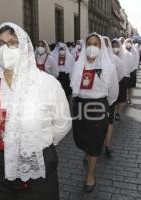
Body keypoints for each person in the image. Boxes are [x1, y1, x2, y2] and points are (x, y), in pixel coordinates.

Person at [0, 22, 72, 200]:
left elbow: (63, 124)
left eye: (12, 43)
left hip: (36, 162)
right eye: (0, 43)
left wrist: (38, 141)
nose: (5, 48)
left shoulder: (46, 83)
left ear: (23, 47)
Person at [71, 33, 119, 193]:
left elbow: (113, 92)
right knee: (81, 137)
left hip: (98, 106)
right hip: (80, 105)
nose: (92, 47)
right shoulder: (78, 64)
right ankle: (87, 151)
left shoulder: (108, 67)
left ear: (101, 47)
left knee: (95, 140)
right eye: (89, 43)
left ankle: (91, 175)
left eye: (96, 44)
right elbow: (74, 86)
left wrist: (105, 106)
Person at [103, 36, 126, 157]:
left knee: (109, 121)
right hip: (97, 98)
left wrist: (113, 83)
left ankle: (107, 145)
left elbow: (121, 74)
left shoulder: (115, 59)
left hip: (110, 96)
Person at [112, 39, 134, 121]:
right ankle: (111, 112)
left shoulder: (126, 55)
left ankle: (117, 113)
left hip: (123, 78)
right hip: (112, 80)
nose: (115, 48)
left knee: (121, 98)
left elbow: (131, 66)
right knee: (113, 97)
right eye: (113, 46)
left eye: (116, 46)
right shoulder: (108, 55)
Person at [123, 39, 139, 104]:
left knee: (130, 87)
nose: (128, 43)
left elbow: (136, 62)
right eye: (127, 42)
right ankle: (125, 98)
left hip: (132, 72)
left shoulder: (134, 51)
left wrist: (132, 69)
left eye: (129, 42)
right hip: (124, 72)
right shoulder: (122, 51)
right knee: (124, 87)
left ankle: (129, 99)